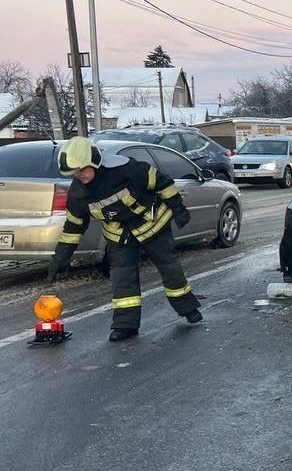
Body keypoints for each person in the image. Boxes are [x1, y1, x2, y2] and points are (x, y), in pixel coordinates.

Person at [46, 137, 202, 343]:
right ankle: (125, 325)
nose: (79, 175)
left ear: (94, 161)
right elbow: (73, 228)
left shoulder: (127, 170)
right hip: (119, 235)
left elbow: (163, 182)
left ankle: (188, 308)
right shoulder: (77, 194)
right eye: (74, 173)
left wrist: (178, 208)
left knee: (169, 268)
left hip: (153, 224)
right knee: (122, 278)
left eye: (82, 170)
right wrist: (61, 258)